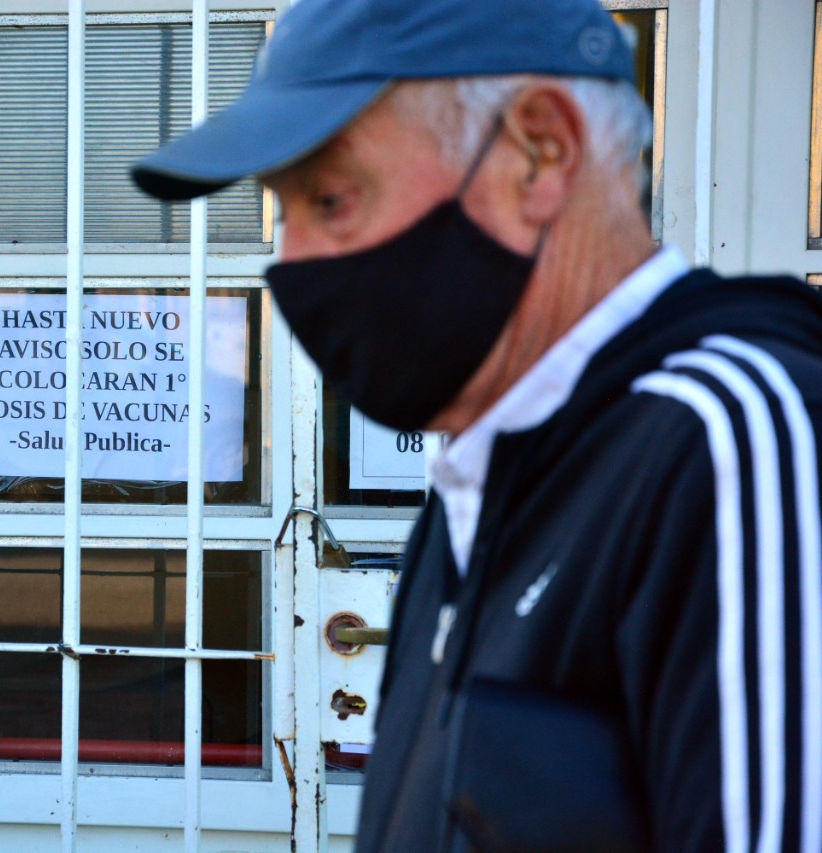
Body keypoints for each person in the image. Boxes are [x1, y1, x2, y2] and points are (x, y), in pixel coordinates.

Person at [133, 0, 822, 850]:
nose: (293, 261)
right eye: (282, 212)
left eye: (332, 197)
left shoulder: (727, 445)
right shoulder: (487, 478)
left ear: (542, 151)